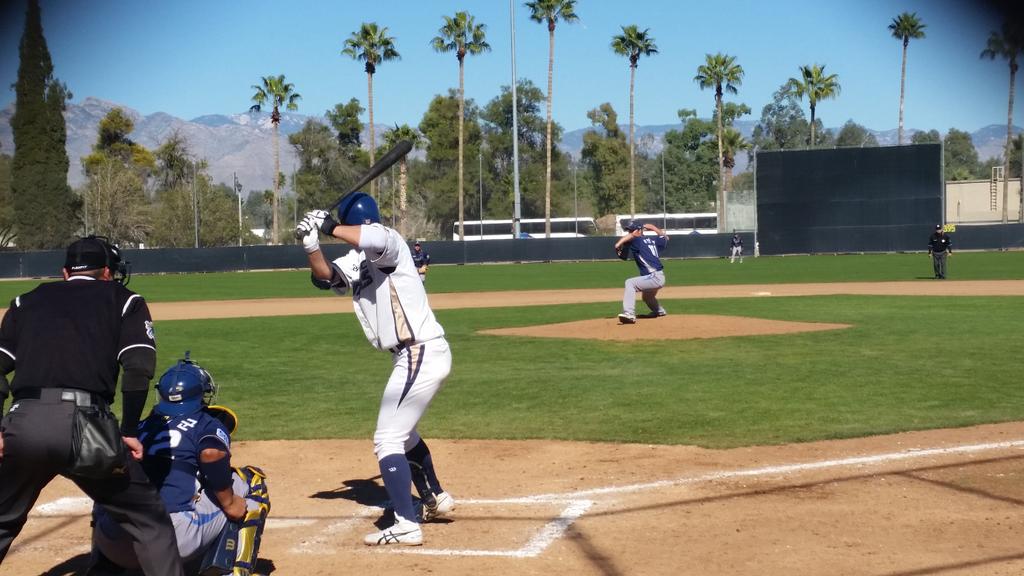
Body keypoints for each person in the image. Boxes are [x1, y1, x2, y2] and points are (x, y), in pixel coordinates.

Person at [0, 236, 183, 576]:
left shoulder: (25, 301)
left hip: (24, 425)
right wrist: (128, 431)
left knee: (3, 519)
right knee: (148, 521)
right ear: (107, 273)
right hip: (89, 428)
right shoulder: (124, 300)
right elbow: (138, 370)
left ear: (66, 272)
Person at [295, 192, 454, 546]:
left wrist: (331, 226)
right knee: (405, 433)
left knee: (387, 439)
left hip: (420, 350)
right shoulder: (356, 259)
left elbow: (373, 236)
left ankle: (406, 524)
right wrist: (311, 246)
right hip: (410, 355)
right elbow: (327, 278)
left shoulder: (389, 242)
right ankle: (436, 496)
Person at [90, 354, 270, 576]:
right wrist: (230, 501)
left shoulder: (138, 427)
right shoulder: (206, 423)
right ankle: (231, 572)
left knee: (107, 487)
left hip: (113, 540)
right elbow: (211, 453)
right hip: (170, 541)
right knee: (252, 482)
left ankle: (103, 568)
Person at [614, 221, 669, 324]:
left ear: (639, 231)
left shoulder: (637, 240)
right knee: (647, 297)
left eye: (632, 230)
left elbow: (630, 238)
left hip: (654, 277)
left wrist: (618, 244)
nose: (630, 232)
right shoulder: (652, 240)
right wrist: (653, 227)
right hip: (657, 276)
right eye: (629, 230)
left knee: (630, 283)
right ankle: (659, 311)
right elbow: (665, 238)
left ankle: (629, 314)